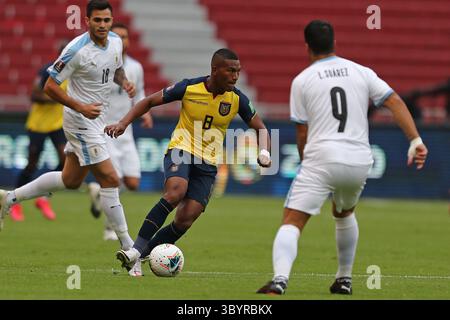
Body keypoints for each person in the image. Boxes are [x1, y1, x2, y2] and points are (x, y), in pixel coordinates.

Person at [256, 20, 428, 295]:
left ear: (307, 46)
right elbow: (394, 101)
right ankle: (344, 278)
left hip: (322, 156)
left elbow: (302, 131)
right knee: (344, 211)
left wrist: (306, 161)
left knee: (293, 220)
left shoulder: (302, 80)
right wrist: (415, 140)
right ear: (335, 43)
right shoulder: (361, 72)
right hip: (360, 159)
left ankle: (279, 279)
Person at [105, 48, 272, 275]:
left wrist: (265, 151)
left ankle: (141, 256)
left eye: (238, 71)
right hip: (181, 149)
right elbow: (148, 102)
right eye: (230, 71)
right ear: (215, 70)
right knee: (176, 191)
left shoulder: (237, 99)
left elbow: (260, 128)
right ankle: (134, 250)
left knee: (185, 219)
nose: (235, 76)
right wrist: (123, 124)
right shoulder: (189, 87)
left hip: (208, 162)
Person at [0, 0, 136, 253]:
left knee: (70, 180)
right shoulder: (76, 50)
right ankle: (131, 248)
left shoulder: (116, 41)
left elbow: (115, 68)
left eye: (107, 20)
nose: (103, 25)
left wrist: (125, 81)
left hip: (98, 119)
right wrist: (80, 107)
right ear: (87, 21)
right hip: (80, 121)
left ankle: (8, 198)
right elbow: (49, 87)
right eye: (97, 20)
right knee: (110, 178)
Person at [86, 22, 153, 244]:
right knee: (113, 181)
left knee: (132, 183)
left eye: (126, 37)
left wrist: (145, 113)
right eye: (119, 36)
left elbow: (141, 92)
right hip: (104, 130)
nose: (123, 41)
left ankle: (98, 195)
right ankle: (109, 228)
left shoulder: (136, 67)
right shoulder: (101, 63)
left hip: (126, 131)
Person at [10, 42, 68, 222]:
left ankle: (43, 198)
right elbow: (34, 95)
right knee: (32, 163)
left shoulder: (75, 74)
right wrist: (55, 98)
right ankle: (14, 202)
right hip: (38, 124)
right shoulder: (47, 72)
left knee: (66, 162)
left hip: (57, 124)